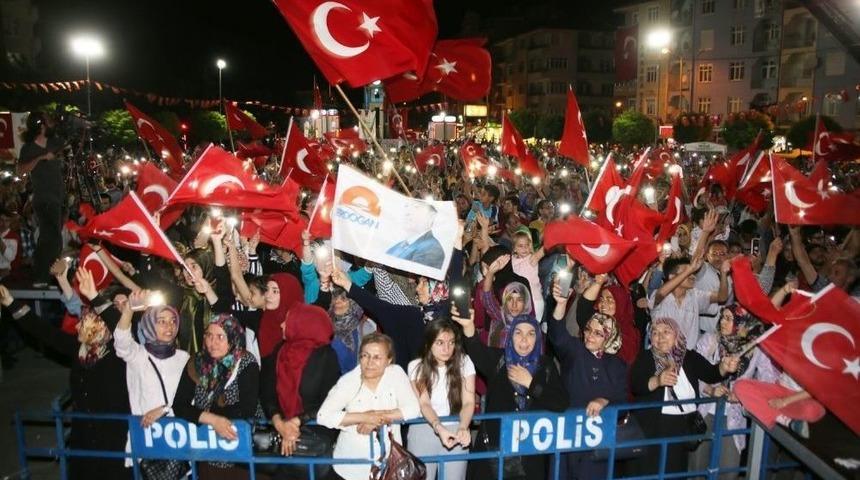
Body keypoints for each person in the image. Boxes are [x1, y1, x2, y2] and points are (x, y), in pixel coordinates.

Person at [1, 271, 131, 479]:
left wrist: (95, 297)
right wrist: (10, 302)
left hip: (115, 438)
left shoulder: (121, 353)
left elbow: (119, 326)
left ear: (101, 326)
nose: (78, 324)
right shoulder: (79, 350)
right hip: (83, 435)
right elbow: (44, 332)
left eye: (86, 320)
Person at [452, 308, 569, 480]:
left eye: (530, 334)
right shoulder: (499, 360)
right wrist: (469, 326)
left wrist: (531, 384)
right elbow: (476, 349)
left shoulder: (546, 366)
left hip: (530, 457)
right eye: (518, 333)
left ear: (537, 338)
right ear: (510, 336)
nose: (524, 339)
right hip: (494, 454)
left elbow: (561, 402)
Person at [630, 317, 739, 475]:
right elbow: (635, 384)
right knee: (650, 471)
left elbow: (711, 373)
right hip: (653, 427)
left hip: (682, 425)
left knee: (675, 470)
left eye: (666, 332)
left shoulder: (689, 356)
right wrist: (657, 381)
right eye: (655, 333)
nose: (660, 337)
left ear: (677, 334)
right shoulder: (645, 357)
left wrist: (724, 367)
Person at [547, 279, 628, 479]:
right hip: (568, 434)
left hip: (597, 441)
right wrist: (561, 304)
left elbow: (623, 403)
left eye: (598, 333)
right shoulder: (575, 351)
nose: (590, 335)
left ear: (609, 337)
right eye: (588, 330)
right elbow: (557, 335)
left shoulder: (617, 365)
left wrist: (605, 401)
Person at [690, 304, 779, 479]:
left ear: (743, 324)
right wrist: (709, 389)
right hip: (704, 412)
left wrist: (743, 395)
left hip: (733, 417)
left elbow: (769, 381)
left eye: (729, 319)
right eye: (723, 317)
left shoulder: (755, 349)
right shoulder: (710, 340)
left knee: (728, 470)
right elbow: (691, 372)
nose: (723, 322)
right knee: (697, 468)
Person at [316, 333, 421, 480]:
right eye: (365, 355)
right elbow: (323, 416)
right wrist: (365, 417)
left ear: (388, 360)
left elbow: (413, 408)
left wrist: (377, 418)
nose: (370, 362)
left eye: (377, 357)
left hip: (389, 465)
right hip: (352, 466)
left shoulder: (395, 373)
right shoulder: (348, 381)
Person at [173, 314, 259, 479]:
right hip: (207, 449)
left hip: (240, 449)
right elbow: (179, 405)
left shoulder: (246, 362)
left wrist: (210, 417)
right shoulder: (196, 363)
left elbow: (247, 408)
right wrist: (213, 420)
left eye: (220, 337)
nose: (213, 343)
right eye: (209, 336)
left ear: (233, 338)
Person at [260, 303, 340, 480]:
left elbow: (331, 401)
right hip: (280, 430)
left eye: (288, 321)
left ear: (304, 324)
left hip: (314, 432)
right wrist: (280, 423)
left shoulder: (326, 356)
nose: (282, 325)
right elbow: (267, 392)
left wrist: (295, 423)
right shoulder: (279, 351)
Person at [114, 290, 190, 473]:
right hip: (146, 438)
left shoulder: (184, 358)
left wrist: (165, 409)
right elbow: (122, 342)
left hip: (177, 437)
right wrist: (129, 309)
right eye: (161, 321)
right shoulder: (138, 355)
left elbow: (190, 398)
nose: (169, 326)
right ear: (148, 324)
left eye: (173, 321)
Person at [407, 319, 476, 480]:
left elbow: (468, 402)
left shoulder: (464, 362)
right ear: (429, 343)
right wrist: (438, 427)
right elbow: (424, 403)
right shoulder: (416, 366)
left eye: (451, 342)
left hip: (456, 426)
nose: (446, 348)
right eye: (440, 342)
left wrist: (463, 427)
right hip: (424, 426)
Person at [16, 111, 66, 287]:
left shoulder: (54, 142)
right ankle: (41, 276)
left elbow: (68, 142)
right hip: (44, 198)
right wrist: (41, 158)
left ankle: (49, 275)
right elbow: (20, 170)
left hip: (58, 197)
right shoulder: (29, 148)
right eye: (48, 121)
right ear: (41, 126)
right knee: (49, 237)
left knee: (54, 238)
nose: (51, 123)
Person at [576, 273, 641, 365]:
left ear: (621, 304)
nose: (603, 304)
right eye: (601, 300)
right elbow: (584, 306)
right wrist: (598, 283)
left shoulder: (629, 334)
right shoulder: (594, 323)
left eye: (610, 300)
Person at [385, 201, 445, 269]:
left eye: (416, 207)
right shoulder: (398, 246)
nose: (407, 212)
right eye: (406, 206)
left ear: (431, 216)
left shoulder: (433, 249)